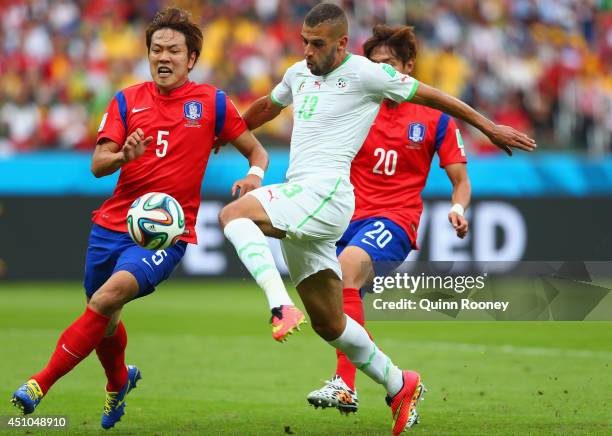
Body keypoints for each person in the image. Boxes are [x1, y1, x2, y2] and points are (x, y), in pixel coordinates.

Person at [218, 3, 535, 434]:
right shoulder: (298, 73)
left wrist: (489, 127)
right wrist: (224, 132)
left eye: (318, 44)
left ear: (342, 44)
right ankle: (399, 383)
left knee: (234, 214)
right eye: (305, 42)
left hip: (327, 196)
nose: (308, 52)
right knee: (330, 324)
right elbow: (265, 107)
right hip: (317, 203)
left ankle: (279, 306)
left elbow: (436, 97)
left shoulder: (367, 74)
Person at [10, 7, 268, 430]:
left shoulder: (212, 103)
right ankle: (118, 382)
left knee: (106, 299)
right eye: (156, 49)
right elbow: (97, 165)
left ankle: (40, 383)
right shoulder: (127, 100)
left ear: (191, 59)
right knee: (104, 317)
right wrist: (122, 155)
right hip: (112, 223)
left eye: (173, 50)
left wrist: (254, 177)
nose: (163, 57)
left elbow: (257, 151)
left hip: (167, 233)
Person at [305, 24, 471, 416]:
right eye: (374, 65)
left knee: (347, 274)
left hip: (396, 219)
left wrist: (458, 208)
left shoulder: (434, 116)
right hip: (344, 218)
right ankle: (399, 384)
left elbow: (461, 180)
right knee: (333, 312)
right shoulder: (355, 107)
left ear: (409, 66)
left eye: (390, 65)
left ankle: (345, 385)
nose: (382, 73)